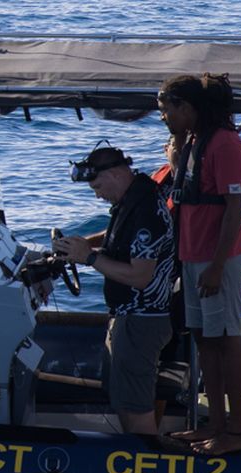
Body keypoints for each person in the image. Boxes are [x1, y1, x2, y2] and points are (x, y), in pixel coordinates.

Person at [158, 73, 241, 455]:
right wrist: (179, 141)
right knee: (204, 339)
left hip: (220, 257)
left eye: (168, 111)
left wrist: (216, 266)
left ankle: (235, 431)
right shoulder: (194, 141)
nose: (164, 118)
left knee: (227, 337)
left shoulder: (226, 144)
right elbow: (182, 181)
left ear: (188, 108)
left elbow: (234, 208)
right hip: (192, 253)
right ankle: (213, 423)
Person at [54, 143, 175, 434]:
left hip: (142, 322)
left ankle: (145, 466)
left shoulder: (146, 212)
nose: (96, 194)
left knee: (136, 409)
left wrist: (89, 257)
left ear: (117, 175)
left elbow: (139, 276)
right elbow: (118, 237)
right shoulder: (132, 202)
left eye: (97, 186)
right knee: (124, 400)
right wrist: (83, 244)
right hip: (128, 319)